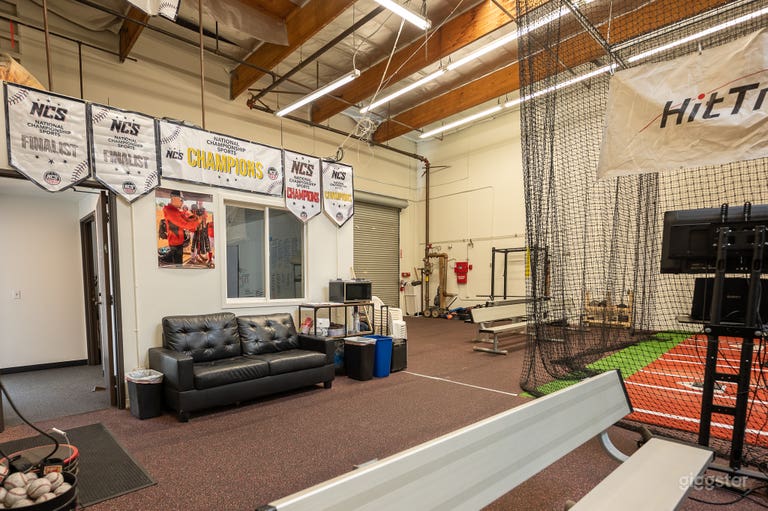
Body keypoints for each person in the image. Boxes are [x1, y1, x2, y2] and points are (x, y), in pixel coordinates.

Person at [162, 190, 201, 266]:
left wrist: (195, 218)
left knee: (178, 263)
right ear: (174, 199)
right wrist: (198, 221)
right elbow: (184, 224)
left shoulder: (176, 211)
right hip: (175, 243)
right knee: (178, 266)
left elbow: (186, 219)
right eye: (181, 200)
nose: (182, 202)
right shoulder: (170, 211)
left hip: (178, 242)